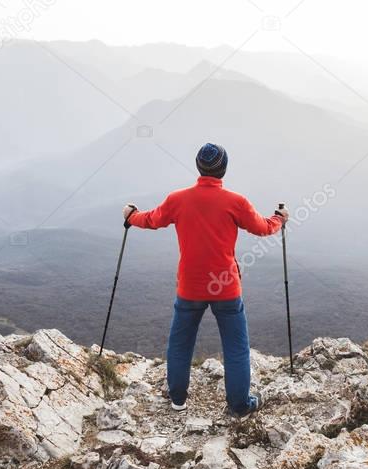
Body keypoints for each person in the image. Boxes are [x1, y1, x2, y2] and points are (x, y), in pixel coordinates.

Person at [123, 143, 287, 417]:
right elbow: (262, 228)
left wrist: (131, 216)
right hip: (226, 287)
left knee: (180, 342)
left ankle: (177, 399)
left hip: (190, 286)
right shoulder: (236, 202)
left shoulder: (178, 199)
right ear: (223, 169)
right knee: (235, 347)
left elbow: (151, 220)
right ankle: (239, 405)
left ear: (199, 167)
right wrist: (279, 219)